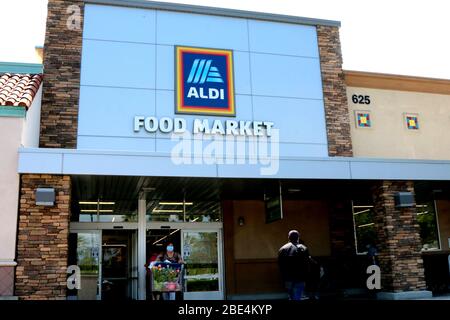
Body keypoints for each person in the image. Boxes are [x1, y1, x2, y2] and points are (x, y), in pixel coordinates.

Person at [278, 230, 311, 301]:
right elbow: (307, 264)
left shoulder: (283, 249)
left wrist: (283, 276)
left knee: (291, 296)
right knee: (298, 296)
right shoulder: (303, 248)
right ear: (298, 238)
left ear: (288, 237)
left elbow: (281, 265)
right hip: (300, 277)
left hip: (288, 277)